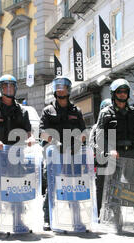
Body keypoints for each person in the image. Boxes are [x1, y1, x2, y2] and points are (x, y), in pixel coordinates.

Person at [0, 74, 35, 234]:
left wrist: (30, 139)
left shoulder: (21, 110)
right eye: (5, 87)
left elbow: (28, 130)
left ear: (15, 89)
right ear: (0, 89)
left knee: (17, 188)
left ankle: (18, 220)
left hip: (16, 156)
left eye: (11, 86)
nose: (9, 89)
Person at [95, 79, 134, 233]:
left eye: (125, 91)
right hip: (114, 155)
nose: (122, 94)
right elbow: (100, 137)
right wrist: (108, 150)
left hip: (131, 155)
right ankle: (116, 220)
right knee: (114, 188)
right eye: (119, 91)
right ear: (114, 94)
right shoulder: (105, 113)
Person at [40, 76, 86, 231]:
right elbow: (41, 133)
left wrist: (79, 143)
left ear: (68, 90)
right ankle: (48, 218)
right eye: (58, 87)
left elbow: (83, 132)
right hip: (53, 153)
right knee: (52, 185)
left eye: (64, 87)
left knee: (73, 185)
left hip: (72, 154)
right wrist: (54, 141)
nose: (61, 90)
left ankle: (76, 217)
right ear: (54, 90)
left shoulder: (76, 110)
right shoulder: (48, 110)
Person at [89, 98, 112, 212]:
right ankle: (97, 211)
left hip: (115, 160)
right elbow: (91, 143)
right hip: (101, 160)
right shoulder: (96, 127)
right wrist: (101, 150)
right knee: (100, 187)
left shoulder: (115, 125)